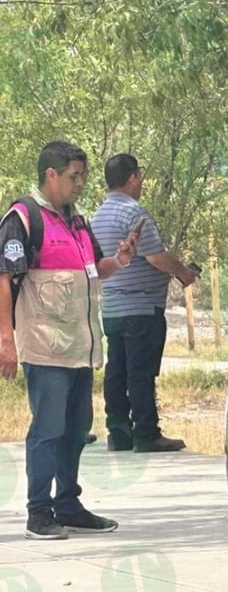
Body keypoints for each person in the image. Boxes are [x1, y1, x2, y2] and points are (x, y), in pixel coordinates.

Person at [0, 140, 137, 539]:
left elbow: (97, 270)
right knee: (48, 428)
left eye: (83, 177)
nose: (80, 185)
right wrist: (5, 341)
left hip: (80, 348)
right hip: (44, 347)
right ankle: (39, 511)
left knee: (78, 427)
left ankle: (68, 504)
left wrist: (122, 259)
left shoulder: (78, 222)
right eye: (74, 177)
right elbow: (5, 280)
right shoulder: (24, 219)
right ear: (51, 175)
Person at [91, 154, 197, 453]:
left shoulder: (97, 216)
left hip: (111, 307)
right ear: (134, 178)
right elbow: (156, 257)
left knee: (117, 369)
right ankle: (146, 433)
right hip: (141, 308)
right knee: (140, 371)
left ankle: (118, 431)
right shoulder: (135, 213)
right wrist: (184, 273)